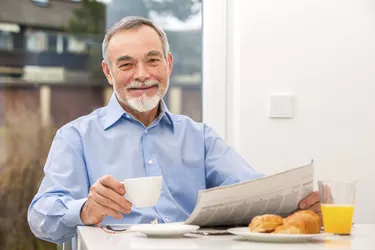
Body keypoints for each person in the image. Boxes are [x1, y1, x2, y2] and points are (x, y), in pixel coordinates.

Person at [28, 16, 321, 246]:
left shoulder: (200, 137)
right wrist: (85, 209)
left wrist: (294, 205)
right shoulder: (75, 137)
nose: (142, 74)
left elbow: (251, 191)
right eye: (126, 64)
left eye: (153, 60)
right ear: (108, 72)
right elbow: (40, 215)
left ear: (168, 64)